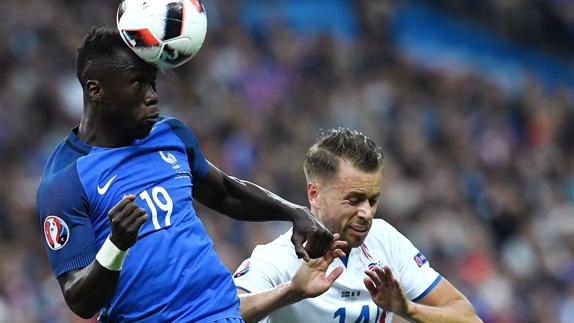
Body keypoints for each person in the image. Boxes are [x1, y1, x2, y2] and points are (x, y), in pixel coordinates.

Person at [35, 27, 333, 323]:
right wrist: (116, 245)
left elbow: (224, 192)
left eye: (153, 83)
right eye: (137, 83)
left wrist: (292, 211)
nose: (152, 96)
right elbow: (80, 300)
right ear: (95, 90)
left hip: (222, 313)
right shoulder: (65, 180)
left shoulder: (170, 133)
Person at [233, 128, 483, 323]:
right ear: (314, 194)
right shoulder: (278, 258)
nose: (366, 213)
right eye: (354, 200)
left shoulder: (384, 239)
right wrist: (289, 292)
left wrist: (407, 309)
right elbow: (215, 314)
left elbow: (467, 317)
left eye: (373, 201)